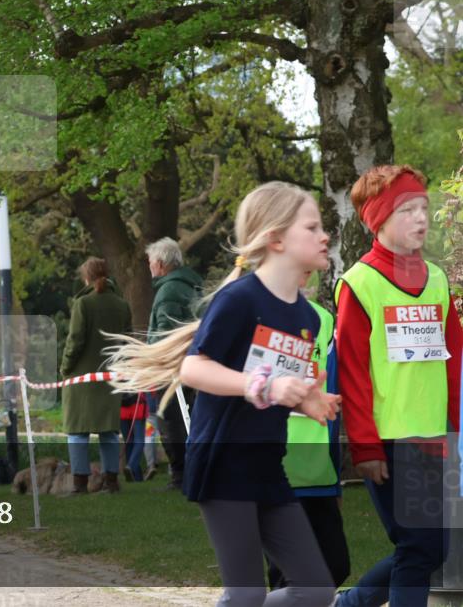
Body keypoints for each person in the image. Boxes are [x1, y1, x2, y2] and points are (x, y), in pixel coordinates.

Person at [109, 181, 340, 607]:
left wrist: (307, 400)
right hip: (222, 464)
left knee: (317, 589)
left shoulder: (306, 316)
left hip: (269, 467)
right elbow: (194, 367)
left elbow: (283, 385)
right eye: (312, 228)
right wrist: (265, 386)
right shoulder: (240, 299)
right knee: (248, 595)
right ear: (276, 239)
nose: (324, 236)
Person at [334, 165, 462, 607]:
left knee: (433, 547)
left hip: (437, 437)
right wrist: (365, 449)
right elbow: (351, 373)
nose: (422, 219)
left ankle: (352, 603)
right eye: (408, 210)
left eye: (424, 208)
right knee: (421, 546)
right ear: (379, 220)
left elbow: (454, 364)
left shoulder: (438, 280)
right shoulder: (358, 284)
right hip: (389, 439)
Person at [266, 272, 350, 591]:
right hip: (276, 467)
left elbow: (332, 396)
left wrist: (335, 475)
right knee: (286, 576)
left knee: (336, 566)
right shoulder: (260, 313)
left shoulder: (323, 319)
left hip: (319, 470)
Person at [60, 257, 131, 494]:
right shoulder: (122, 305)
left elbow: (75, 340)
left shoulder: (83, 304)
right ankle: (111, 482)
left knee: (77, 433)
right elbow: (127, 342)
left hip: (81, 377)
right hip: (110, 377)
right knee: (109, 432)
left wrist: (65, 367)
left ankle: (79, 484)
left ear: (86, 278)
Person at [145, 237, 203, 491]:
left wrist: (151, 357)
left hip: (171, 369)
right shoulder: (194, 286)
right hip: (194, 364)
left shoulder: (168, 291)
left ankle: (180, 475)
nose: (149, 267)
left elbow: (165, 334)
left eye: (149, 262)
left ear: (159, 263)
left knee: (171, 422)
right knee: (191, 420)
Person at [119, 392, 147, 482]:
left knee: (129, 442)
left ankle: (136, 476)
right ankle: (131, 467)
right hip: (138, 406)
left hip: (122, 407)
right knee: (139, 441)